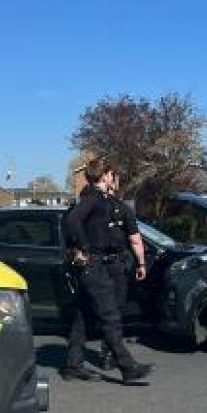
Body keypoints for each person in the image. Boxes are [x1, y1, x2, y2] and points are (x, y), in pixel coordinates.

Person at [62, 157, 154, 384]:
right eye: (112, 174)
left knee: (83, 316)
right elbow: (71, 221)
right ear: (105, 175)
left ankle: (72, 365)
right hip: (94, 265)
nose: (115, 178)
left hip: (98, 263)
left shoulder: (102, 200)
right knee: (110, 316)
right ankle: (127, 366)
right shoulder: (93, 198)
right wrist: (84, 247)